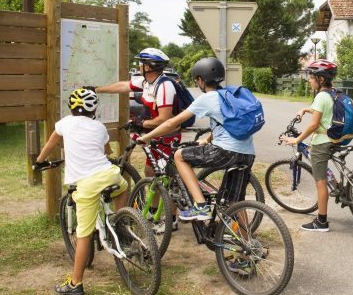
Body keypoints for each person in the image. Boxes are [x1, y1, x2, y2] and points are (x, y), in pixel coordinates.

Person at [137, 57, 255, 224]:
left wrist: (146, 137)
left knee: (179, 156)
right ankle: (248, 243)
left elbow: (172, 121)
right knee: (235, 201)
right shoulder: (229, 95)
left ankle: (200, 205)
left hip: (225, 151)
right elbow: (228, 124)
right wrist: (206, 140)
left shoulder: (208, 98)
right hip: (247, 153)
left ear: (201, 80)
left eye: (196, 80)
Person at [35, 87, 128, 295]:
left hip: (87, 184)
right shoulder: (99, 127)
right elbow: (107, 152)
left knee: (83, 234)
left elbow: (50, 144)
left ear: (72, 108)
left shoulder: (65, 123)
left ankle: (75, 283)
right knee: (122, 188)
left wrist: (39, 162)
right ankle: (120, 222)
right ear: (94, 109)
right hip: (110, 174)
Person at [96, 47, 181, 177]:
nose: (139, 66)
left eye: (141, 63)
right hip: (154, 135)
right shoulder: (147, 82)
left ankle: (174, 196)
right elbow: (123, 86)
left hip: (166, 138)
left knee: (159, 176)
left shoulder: (164, 86)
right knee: (152, 173)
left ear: (147, 67)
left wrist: (141, 123)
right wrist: (96, 89)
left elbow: (164, 119)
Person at [280, 59, 339, 232]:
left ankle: (321, 222)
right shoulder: (332, 93)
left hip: (322, 142)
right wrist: (305, 110)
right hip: (335, 138)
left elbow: (313, 125)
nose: (309, 79)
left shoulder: (321, 96)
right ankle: (338, 187)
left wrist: (297, 140)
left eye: (311, 76)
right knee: (322, 167)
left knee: (319, 182)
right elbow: (324, 112)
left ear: (321, 79)